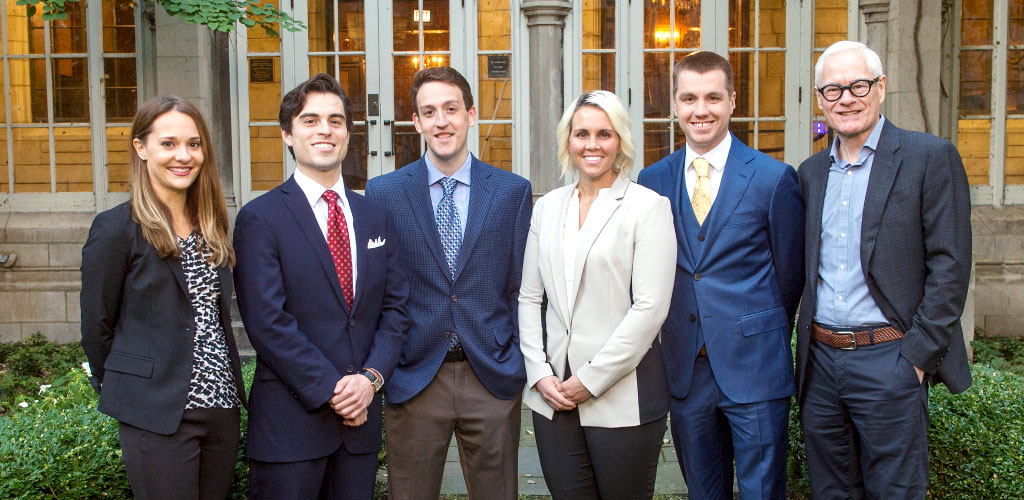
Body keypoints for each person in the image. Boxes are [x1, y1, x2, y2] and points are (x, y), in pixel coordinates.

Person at [796, 41, 973, 499]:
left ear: (881, 87)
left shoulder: (928, 157)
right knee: (831, 491)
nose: (846, 99)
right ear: (819, 99)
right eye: (833, 90)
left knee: (895, 491)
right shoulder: (811, 173)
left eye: (858, 85)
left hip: (889, 358)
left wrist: (915, 359)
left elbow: (951, 265)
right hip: (821, 363)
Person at [637, 51, 805, 500]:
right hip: (686, 368)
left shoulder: (773, 178)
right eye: (689, 98)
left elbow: (790, 275)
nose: (701, 110)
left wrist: (757, 329)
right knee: (702, 491)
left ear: (732, 101)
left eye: (713, 97)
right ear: (674, 106)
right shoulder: (652, 180)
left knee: (762, 490)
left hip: (755, 364)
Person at [233, 73, 409, 500]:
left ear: (348, 133)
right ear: (288, 135)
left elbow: (395, 310)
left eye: (335, 120)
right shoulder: (261, 218)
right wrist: (334, 391)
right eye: (310, 120)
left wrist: (369, 380)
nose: (325, 130)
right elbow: (267, 322)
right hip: (290, 427)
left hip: (359, 428)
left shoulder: (375, 217)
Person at [364, 66, 532, 500]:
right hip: (415, 375)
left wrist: (515, 356)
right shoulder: (384, 193)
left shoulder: (512, 192)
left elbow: (519, 287)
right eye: (429, 112)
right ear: (416, 122)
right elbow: (378, 290)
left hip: (490, 373)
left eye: (451, 109)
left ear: (471, 115)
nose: (442, 122)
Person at [80, 95, 246, 500]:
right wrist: (134, 387)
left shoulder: (213, 225)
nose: (183, 155)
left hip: (221, 409)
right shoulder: (116, 228)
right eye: (168, 143)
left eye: (193, 144)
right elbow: (96, 326)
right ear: (141, 148)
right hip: (155, 411)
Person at [518, 90, 676, 499]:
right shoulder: (547, 207)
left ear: (620, 140)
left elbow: (650, 308)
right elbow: (530, 298)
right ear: (567, 141)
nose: (592, 145)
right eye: (581, 133)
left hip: (622, 396)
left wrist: (589, 379)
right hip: (553, 396)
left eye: (604, 134)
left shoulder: (648, 207)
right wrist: (538, 372)